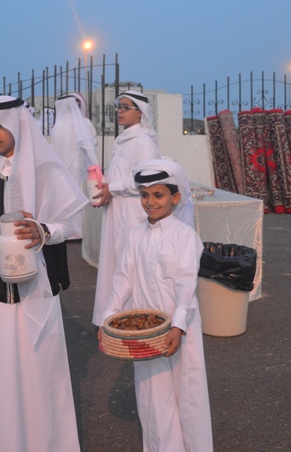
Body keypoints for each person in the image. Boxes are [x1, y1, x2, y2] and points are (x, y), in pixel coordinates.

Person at [0, 96, 87, 452]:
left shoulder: (43, 169)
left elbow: (70, 223)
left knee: (37, 375)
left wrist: (43, 229)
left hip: (34, 289)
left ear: (18, 122)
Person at [98, 158, 211, 452]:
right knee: (152, 394)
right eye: (144, 195)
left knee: (186, 393)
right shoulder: (135, 235)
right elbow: (122, 279)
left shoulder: (186, 236)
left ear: (175, 198)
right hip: (145, 331)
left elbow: (187, 285)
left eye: (158, 195)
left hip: (180, 328)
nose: (150, 202)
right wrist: (108, 319)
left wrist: (178, 325)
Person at [91, 90, 160, 326]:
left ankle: (133, 318)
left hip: (132, 212)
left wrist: (115, 187)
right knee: (114, 261)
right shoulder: (125, 140)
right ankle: (113, 315)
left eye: (125, 108)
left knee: (129, 263)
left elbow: (147, 180)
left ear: (139, 112)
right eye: (118, 107)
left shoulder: (143, 142)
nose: (119, 112)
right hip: (116, 210)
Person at [51, 94, 98, 239]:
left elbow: (52, 148)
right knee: (81, 195)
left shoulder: (57, 125)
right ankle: (80, 230)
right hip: (80, 166)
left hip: (63, 167)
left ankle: (68, 229)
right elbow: (93, 143)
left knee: (67, 197)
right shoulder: (85, 123)